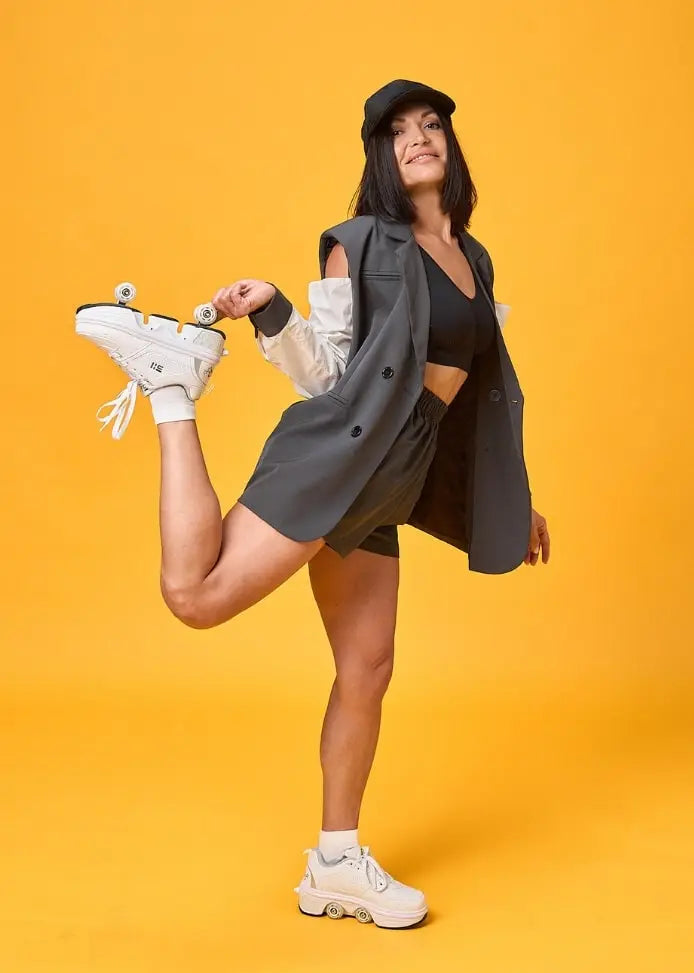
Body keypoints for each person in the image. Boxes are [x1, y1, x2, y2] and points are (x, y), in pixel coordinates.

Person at [75, 78, 550, 929]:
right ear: (381, 155)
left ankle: (335, 864)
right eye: (399, 131)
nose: (418, 138)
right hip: (343, 453)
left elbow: (475, 397)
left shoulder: (472, 259)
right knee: (195, 596)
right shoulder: (361, 243)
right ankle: (172, 386)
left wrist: (515, 500)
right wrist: (273, 311)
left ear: (450, 145)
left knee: (368, 666)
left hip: (393, 476)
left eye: (431, 125)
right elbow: (328, 371)